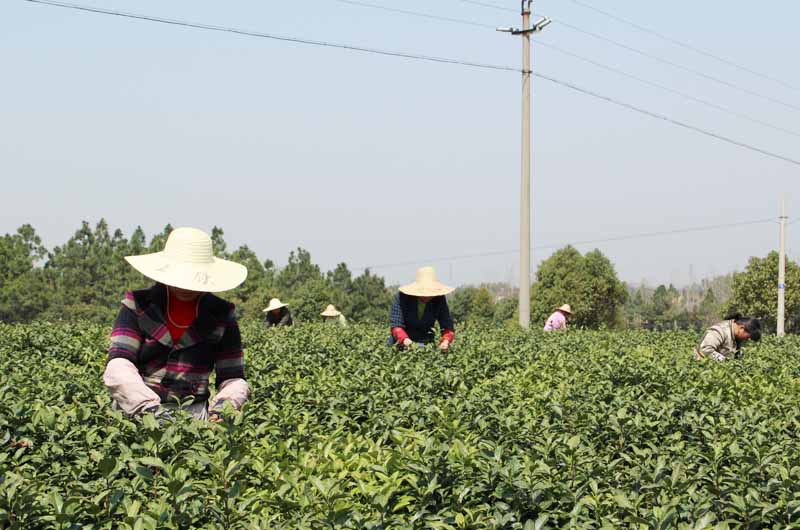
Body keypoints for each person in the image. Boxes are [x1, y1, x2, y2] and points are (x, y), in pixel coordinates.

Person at [102, 227, 250, 422]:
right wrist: (147, 408)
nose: (185, 286)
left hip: (192, 417)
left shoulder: (221, 314)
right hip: (135, 412)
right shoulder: (138, 305)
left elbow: (233, 377)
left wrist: (225, 406)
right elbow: (119, 363)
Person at [389, 266, 455, 351]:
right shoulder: (402, 297)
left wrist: (445, 341)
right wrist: (406, 341)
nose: (427, 295)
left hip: (426, 344)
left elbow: (447, 325)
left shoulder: (439, 299)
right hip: (400, 345)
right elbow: (396, 326)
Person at [694, 313, 761, 361]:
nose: (748, 339)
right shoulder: (720, 331)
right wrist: (726, 362)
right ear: (741, 328)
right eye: (747, 337)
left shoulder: (737, 335)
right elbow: (705, 350)